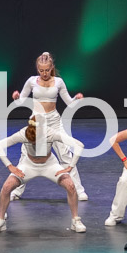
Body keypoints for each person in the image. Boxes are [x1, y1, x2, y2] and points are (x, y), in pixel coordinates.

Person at [10, 52, 87, 200]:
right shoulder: (32, 81)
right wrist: (16, 97)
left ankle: (78, 190)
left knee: (65, 154)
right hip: (36, 121)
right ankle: (16, 190)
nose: (44, 73)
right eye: (41, 70)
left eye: (47, 70)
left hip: (54, 121)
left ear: (51, 68)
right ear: (37, 69)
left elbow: (69, 102)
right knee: (25, 155)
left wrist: (77, 99)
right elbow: (21, 101)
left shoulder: (58, 82)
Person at [0, 114, 86, 234]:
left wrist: (70, 166)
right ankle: (0, 220)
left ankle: (75, 220)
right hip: (28, 165)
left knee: (71, 186)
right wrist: (10, 166)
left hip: (49, 165)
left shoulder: (50, 133)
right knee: (6, 187)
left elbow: (79, 145)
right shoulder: (23, 133)